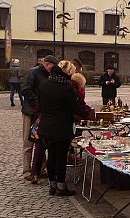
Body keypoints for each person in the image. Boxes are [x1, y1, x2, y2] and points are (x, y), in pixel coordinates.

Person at [37, 60, 86, 196]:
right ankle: (61, 186)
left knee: (51, 155)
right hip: (62, 127)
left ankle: (52, 185)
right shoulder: (67, 87)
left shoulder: (44, 84)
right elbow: (76, 108)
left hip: (46, 125)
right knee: (61, 157)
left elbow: (40, 104)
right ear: (68, 73)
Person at [21, 55, 56, 181]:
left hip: (41, 113)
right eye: (53, 66)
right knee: (28, 142)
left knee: (41, 141)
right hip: (30, 112)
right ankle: (26, 171)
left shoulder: (49, 75)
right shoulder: (32, 72)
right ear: (47, 64)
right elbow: (25, 89)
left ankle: (40, 169)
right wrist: (37, 103)